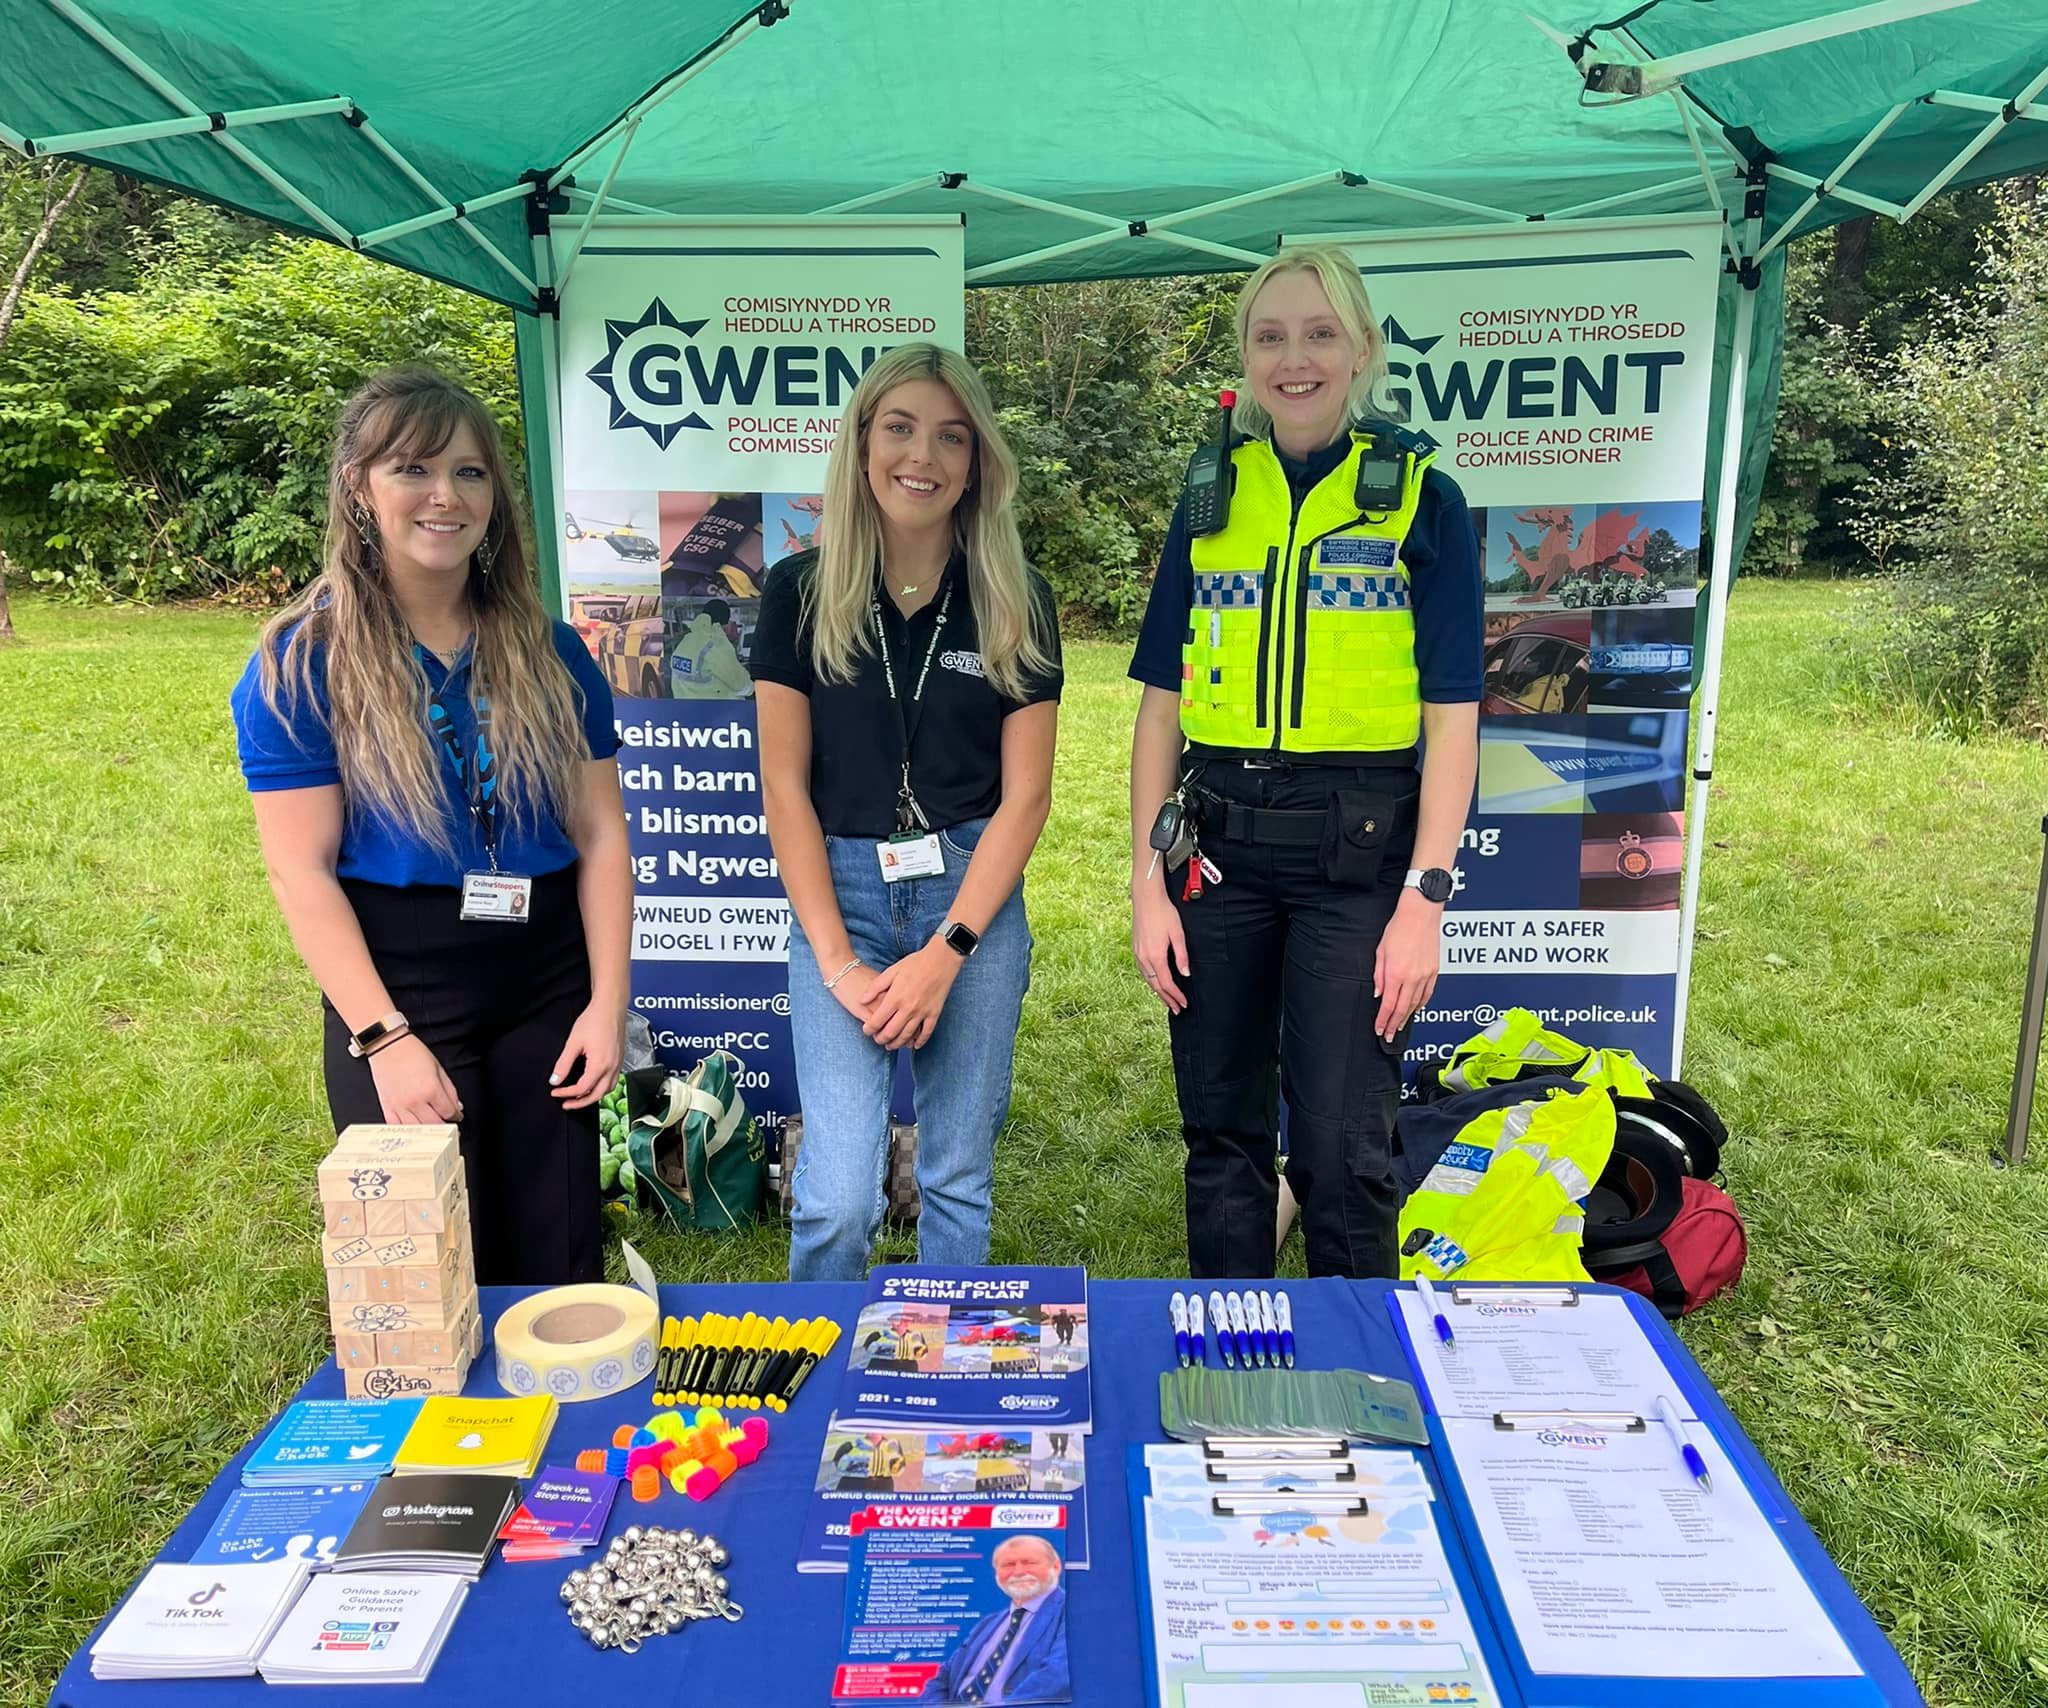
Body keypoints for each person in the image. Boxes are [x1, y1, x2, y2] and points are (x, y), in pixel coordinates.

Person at [231, 365, 632, 1286]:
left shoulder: (550, 649)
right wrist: (384, 1037)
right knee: (428, 1259)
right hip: (403, 976)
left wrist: (606, 1006)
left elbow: (603, 836)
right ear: (358, 489)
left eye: (471, 472)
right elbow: (303, 872)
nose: (446, 496)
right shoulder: (301, 663)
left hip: (546, 968)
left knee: (554, 1253)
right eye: (413, 469)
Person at [1128, 247, 1482, 1282]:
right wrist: (1146, 883)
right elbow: (1158, 712)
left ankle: (1356, 1382)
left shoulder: (1423, 500)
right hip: (1217, 851)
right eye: (1270, 335)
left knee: (1339, 1148)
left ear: (1362, 349)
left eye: (1319, 334)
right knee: (1221, 1131)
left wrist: (1424, 899)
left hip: (1356, 859)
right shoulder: (1206, 497)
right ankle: (1229, 1360)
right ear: (1243, 355)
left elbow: (1453, 721)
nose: (1295, 358)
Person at [752, 343, 1061, 1283]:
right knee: (836, 1197)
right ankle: (822, 1384)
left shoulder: (1017, 599)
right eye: (899, 427)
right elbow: (784, 792)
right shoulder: (797, 593)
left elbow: (1029, 797)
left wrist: (947, 953)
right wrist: (842, 966)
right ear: (861, 443)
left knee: (956, 1180)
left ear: (976, 464)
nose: (920, 455)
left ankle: (944, 1389)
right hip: (838, 904)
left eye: (950, 436)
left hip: (968, 899)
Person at [921, 1535, 1069, 1705]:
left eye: (1029, 1562)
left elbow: (1057, 1676)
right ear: (997, 1574)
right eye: (1008, 1565)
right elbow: (942, 1678)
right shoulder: (988, 1623)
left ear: (1056, 1567)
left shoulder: (1069, 1613)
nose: (1019, 1572)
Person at [670, 597, 755, 698]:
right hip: (717, 710)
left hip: (687, 709)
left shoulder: (686, 641)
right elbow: (742, 685)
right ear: (726, 623)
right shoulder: (716, 645)